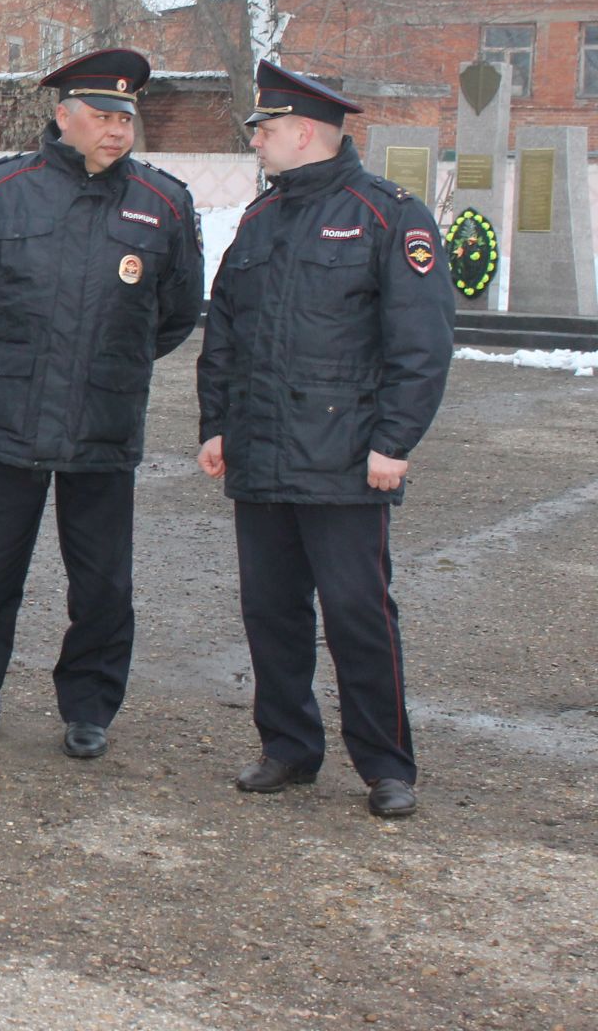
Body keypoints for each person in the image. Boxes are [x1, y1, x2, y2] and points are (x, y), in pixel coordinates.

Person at [0, 49, 202, 760]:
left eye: (126, 118)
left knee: (101, 577)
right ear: (63, 116)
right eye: (101, 116)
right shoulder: (2, 190)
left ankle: (89, 705)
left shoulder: (162, 204)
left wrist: (111, 361)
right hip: (6, 411)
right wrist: (18, 357)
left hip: (104, 417)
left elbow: (178, 311)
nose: (118, 130)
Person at [196, 60, 453, 820]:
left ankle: (385, 765)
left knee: (358, 613)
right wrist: (216, 424)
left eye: (265, 130)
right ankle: (288, 749)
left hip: (346, 460)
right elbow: (226, 335)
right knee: (271, 613)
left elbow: (422, 343)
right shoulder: (259, 219)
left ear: (303, 131)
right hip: (263, 451)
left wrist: (394, 441)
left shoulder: (389, 215)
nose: (258, 142)